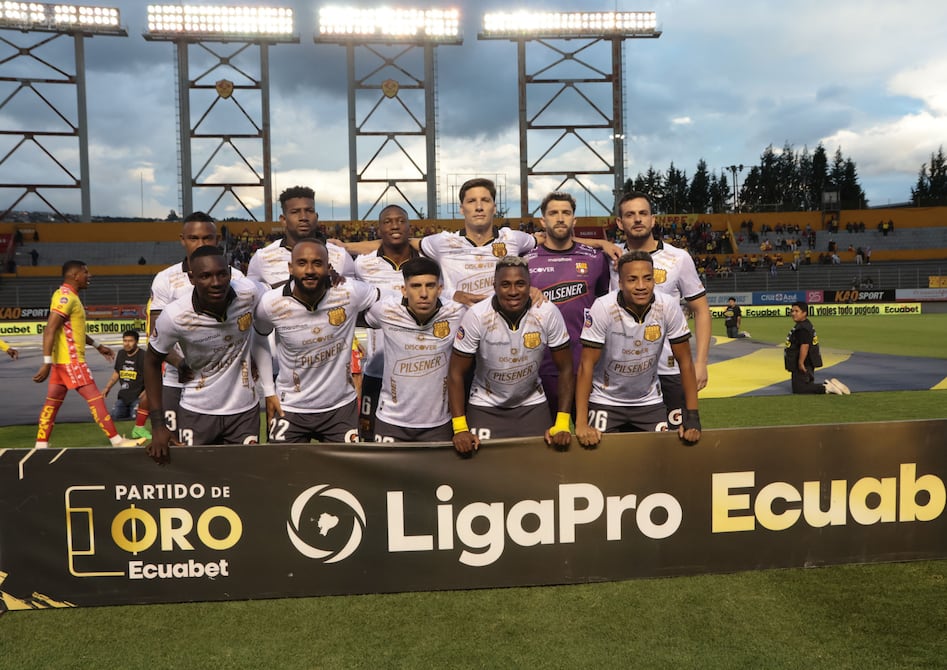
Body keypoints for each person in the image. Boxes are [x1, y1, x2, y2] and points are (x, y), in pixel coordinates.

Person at [252, 238, 380, 444]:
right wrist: (268, 390)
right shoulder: (271, 303)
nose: (310, 270)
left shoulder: (349, 291)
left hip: (340, 408)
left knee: (348, 466)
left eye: (317, 263)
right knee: (281, 465)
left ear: (329, 268)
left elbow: (386, 299)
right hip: (289, 407)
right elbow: (259, 338)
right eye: (302, 263)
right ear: (290, 268)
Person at [145, 246, 265, 463]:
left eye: (222, 274)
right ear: (192, 278)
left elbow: (282, 298)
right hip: (196, 411)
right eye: (206, 276)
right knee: (196, 478)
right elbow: (151, 361)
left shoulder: (249, 292)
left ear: (230, 272)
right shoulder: (175, 316)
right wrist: (158, 425)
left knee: (247, 477)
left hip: (244, 412)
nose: (216, 282)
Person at [448, 256, 574, 455]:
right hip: (485, 405)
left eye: (520, 284)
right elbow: (455, 373)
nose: (513, 291)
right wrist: (460, 428)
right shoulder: (477, 315)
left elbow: (566, 368)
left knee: (539, 466)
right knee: (484, 469)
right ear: (494, 287)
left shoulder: (547, 312)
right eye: (505, 284)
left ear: (530, 285)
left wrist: (562, 423)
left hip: (532, 404)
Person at [575, 251, 701, 448]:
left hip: (649, 401)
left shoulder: (668, 306)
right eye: (632, 279)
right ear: (620, 283)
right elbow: (586, 366)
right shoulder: (602, 307)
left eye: (647, 278)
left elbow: (685, 362)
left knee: (662, 456)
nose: (641, 286)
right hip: (605, 400)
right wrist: (581, 423)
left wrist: (692, 416)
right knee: (600, 459)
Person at [609, 191, 711, 430]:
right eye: (630, 215)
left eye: (643, 213)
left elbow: (701, 310)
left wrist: (701, 362)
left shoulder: (678, 258)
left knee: (676, 442)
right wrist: (601, 244)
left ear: (653, 220)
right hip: (622, 372)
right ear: (619, 223)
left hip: (669, 370)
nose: (637, 219)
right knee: (624, 447)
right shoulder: (610, 256)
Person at [149, 212, 243, 441]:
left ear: (218, 239)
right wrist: (180, 364)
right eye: (194, 238)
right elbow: (155, 333)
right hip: (177, 380)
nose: (201, 244)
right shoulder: (165, 279)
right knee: (177, 450)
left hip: (225, 387)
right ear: (182, 239)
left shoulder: (236, 277)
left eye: (207, 238)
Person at [32, 261, 145, 449]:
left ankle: (41, 445)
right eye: (85, 272)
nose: (89, 275)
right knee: (95, 399)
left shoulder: (64, 295)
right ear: (75, 276)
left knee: (52, 404)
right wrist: (46, 362)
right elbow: (50, 329)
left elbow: (73, 330)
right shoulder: (67, 298)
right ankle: (117, 441)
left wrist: (97, 345)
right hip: (72, 361)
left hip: (62, 363)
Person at [364, 256, 466, 442]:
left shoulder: (457, 312)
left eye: (430, 286)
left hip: (438, 423)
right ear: (404, 290)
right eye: (416, 286)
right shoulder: (385, 310)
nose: (423, 293)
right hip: (391, 421)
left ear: (440, 289)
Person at [525, 191, 609, 414]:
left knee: (587, 432)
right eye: (553, 213)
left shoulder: (596, 259)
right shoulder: (526, 261)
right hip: (541, 367)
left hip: (586, 366)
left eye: (566, 213)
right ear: (543, 221)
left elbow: (604, 305)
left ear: (574, 220)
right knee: (547, 434)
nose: (560, 218)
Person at [354, 204, 421, 439]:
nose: (395, 226)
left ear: (409, 227)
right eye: (388, 221)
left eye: (401, 220)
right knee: (369, 439)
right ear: (379, 229)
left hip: (420, 370)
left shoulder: (427, 261)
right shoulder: (362, 264)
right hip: (377, 370)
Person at [420, 178, 537, 306]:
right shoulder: (442, 242)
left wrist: (534, 289)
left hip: (501, 318)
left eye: (485, 200)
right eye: (471, 201)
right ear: (462, 209)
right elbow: (407, 242)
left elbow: (546, 240)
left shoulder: (512, 238)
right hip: (458, 317)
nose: (479, 207)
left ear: (494, 208)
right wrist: (452, 294)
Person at [247, 185, 355, 288]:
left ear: (316, 217)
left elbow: (353, 296)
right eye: (295, 212)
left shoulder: (340, 256)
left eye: (309, 211)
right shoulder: (262, 257)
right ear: (283, 220)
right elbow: (252, 296)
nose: (303, 217)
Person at [784, 301, 850, 396]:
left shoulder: (802, 328)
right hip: (808, 361)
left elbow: (805, 345)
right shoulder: (805, 324)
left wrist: (801, 362)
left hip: (804, 362)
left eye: (796, 311)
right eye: (792, 311)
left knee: (799, 389)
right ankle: (831, 385)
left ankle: (826, 387)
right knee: (805, 384)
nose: (793, 313)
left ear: (804, 313)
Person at [102, 330, 149, 437]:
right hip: (123, 397)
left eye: (130, 341)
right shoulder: (121, 354)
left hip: (138, 397)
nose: (127, 344)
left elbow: (151, 377)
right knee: (115, 417)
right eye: (125, 341)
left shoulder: (143, 356)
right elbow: (117, 373)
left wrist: (145, 394)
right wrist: (107, 387)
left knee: (135, 419)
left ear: (136, 342)